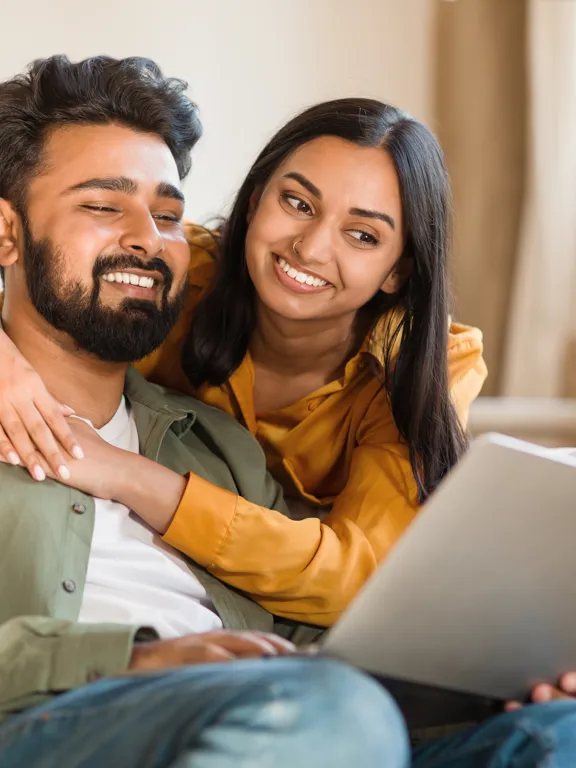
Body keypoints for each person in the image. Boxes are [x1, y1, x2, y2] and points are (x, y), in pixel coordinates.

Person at [2, 54, 576, 768]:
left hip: (291, 711)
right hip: (70, 713)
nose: (149, 237)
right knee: (332, 709)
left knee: (559, 732)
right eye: (102, 205)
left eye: (169, 214)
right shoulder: (208, 280)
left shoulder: (220, 450)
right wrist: (136, 658)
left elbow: (334, 620)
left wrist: (500, 683)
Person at [0, 96, 487, 627]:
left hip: (294, 599)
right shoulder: (172, 275)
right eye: (298, 203)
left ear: (398, 270)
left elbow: (358, 578)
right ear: (254, 203)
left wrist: (124, 473)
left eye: (363, 235)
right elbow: (45, 262)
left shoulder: (419, 366)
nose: (311, 249)